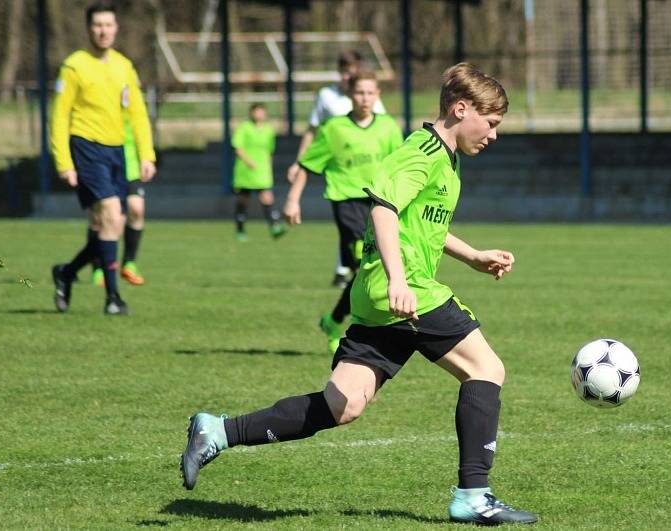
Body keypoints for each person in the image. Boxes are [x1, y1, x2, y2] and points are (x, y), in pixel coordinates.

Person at [180, 63, 537, 525]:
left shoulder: (446, 159)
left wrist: (471, 256)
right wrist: (399, 279)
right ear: (461, 108)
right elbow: (384, 210)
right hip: (407, 291)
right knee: (486, 368)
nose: (493, 135)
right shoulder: (423, 151)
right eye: (491, 124)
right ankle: (473, 493)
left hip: (383, 297)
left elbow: (424, 224)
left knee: (342, 404)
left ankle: (218, 431)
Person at [283, 71, 403, 353]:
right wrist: (292, 199)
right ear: (350, 94)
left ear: (378, 96)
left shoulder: (388, 128)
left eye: (370, 93)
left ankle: (334, 321)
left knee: (366, 270)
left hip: (380, 205)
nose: (365, 98)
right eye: (360, 92)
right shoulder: (333, 128)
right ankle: (360, 333)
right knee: (368, 262)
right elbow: (308, 165)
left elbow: (399, 169)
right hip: (347, 203)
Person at [50, 0, 156, 315]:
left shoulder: (124, 66)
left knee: (112, 225)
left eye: (108, 25)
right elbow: (59, 117)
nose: (103, 31)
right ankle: (113, 298)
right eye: (97, 25)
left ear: (116, 28)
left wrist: (146, 154)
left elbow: (138, 114)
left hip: (116, 151)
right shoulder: (74, 66)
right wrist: (64, 162)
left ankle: (66, 273)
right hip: (86, 147)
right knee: (110, 214)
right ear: (88, 29)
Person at [286, 50, 386, 289]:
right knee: (362, 249)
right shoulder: (329, 105)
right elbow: (313, 133)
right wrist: (298, 163)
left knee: (367, 256)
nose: (364, 98)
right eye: (345, 73)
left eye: (369, 93)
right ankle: (349, 274)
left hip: (372, 189)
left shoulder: (383, 121)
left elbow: (384, 142)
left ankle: (335, 315)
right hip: (342, 183)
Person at [92, 116, 148, 286]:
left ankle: (129, 263)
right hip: (101, 165)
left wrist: (147, 157)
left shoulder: (132, 98)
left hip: (129, 166)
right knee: (100, 218)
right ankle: (99, 268)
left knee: (137, 210)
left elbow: (142, 127)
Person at [231, 103, 285, 242]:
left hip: (262, 170)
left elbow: (270, 151)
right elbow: (237, 147)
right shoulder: (245, 127)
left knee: (267, 197)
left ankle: (274, 226)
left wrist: (269, 167)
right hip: (245, 170)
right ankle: (240, 229)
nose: (259, 114)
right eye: (257, 111)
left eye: (262, 112)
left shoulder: (269, 130)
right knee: (244, 200)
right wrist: (249, 161)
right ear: (251, 113)